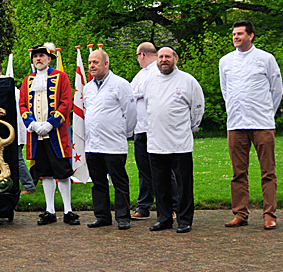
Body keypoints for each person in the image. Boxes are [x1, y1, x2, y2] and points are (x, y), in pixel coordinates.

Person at [219, 20, 283, 230]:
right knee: (238, 173)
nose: (235, 37)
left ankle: (269, 214)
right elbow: (225, 90)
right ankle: (240, 213)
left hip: (262, 123)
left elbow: (277, 89)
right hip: (236, 124)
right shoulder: (225, 61)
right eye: (234, 34)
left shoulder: (266, 59)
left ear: (251, 35)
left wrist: (266, 113)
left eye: (240, 33)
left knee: (268, 172)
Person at [144, 46, 204, 234]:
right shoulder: (150, 81)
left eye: (168, 56)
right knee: (160, 185)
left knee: (183, 184)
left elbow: (198, 109)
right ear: (156, 60)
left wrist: (189, 128)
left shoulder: (188, 81)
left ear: (175, 58)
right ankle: (164, 219)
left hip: (180, 143)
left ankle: (185, 220)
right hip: (156, 142)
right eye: (161, 56)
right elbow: (147, 105)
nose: (164, 59)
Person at [19, 43, 79, 226]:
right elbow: (22, 104)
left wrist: (51, 124)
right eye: (35, 56)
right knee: (45, 173)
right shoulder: (27, 80)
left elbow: (66, 102)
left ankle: (68, 210)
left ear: (49, 58)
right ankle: (50, 210)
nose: (38, 59)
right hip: (36, 135)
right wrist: (32, 124)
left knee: (62, 173)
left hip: (56, 135)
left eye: (42, 56)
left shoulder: (61, 77)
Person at [84, 49, 137, 230]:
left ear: (106, 64)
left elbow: (130, 112)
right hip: (93, 144)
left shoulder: (120, 84)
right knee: (98, 182)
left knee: (119, 181)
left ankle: (123, 216)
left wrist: (124, 131)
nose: (91, 66)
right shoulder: (88, 88)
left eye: (95, 62)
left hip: (113, 143)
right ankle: (102, 216)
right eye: (90, 62)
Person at [130, 42, 179, 220]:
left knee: (164, 169)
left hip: (155, 129)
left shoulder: (157, 71)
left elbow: (146, 91)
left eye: (137, 56)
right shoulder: (139, 75)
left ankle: (173, 206)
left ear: (142, 54)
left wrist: (136, 92)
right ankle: (144, 205)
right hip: (140, 128)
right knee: (144, 170)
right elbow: (131, 93)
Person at [0, 63, 36, 195]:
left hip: (15, 130)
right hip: (14, 129)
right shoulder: (8, 87)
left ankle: (29, 185)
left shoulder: (3, 87)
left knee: (17, 158)